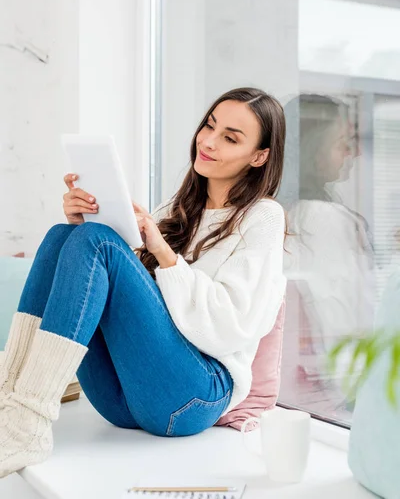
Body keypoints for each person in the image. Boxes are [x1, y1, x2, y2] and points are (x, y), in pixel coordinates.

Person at [0, 87, 287, 478]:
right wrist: (88, 224)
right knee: (63, 236)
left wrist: (163, 252)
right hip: (122, 397)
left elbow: (232, 326)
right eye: (210, 125)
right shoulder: (175, 210)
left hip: (195, 396)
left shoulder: (263, 216)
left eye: (230, 138)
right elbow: (129, 305)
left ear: (260, 156)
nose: (208, 141)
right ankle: (10, 402)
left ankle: (28, 419)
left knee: (94, 241)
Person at [278, 93, 375, 419]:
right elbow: (344, 316)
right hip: (334, 399)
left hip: (293, 396)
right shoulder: (322, 218)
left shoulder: (283, 212)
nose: (355, 153)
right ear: (312, 148)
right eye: (342, 143)